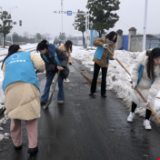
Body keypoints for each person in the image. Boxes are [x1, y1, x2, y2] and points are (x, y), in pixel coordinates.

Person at [2, 45, 45, 155]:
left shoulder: (7, 60)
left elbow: (5, 74)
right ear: (20, 48)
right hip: (28, 86)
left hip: (10, 89)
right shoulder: (29, 54)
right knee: (31, 118)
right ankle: (32, 147)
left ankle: (17, 144)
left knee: (15, 117)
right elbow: (41, 65)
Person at [127, 48, 160, 130]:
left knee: (150, 103)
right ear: (152, 58)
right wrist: (134, 81)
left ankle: (147, 120)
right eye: (157, 59)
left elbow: (157, 83)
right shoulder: (143, 61)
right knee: (135, 99)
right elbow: (135, 70)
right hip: (139, 84)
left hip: (149, 86)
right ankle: (131, 113)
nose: (158, 62)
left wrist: (151, 94)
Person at [36, 40, 69, 105]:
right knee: (48, 83)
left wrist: (62, 66)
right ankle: (43, 99)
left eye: (41, 51)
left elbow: (65, 57)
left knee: (60, 83)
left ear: (45, 48)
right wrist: (54, 66)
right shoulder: (43, 55)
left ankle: (60, 98)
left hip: (60, 68)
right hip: (51, 68)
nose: (41, 52)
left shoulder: (56, 50)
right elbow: (46, 64)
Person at [89, 31, 117, 97]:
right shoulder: (103, 40)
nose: (114, 38)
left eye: (115, 37)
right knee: (95, 76)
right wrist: (102, 45)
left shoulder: (113, 46)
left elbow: (110, 56)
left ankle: (103, 93)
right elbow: (94, 42)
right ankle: (92, 91)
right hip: (98, 60)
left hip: (105, 62)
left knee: (104, 78)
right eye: (113, 37)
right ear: (111, 36)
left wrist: (113, 57)